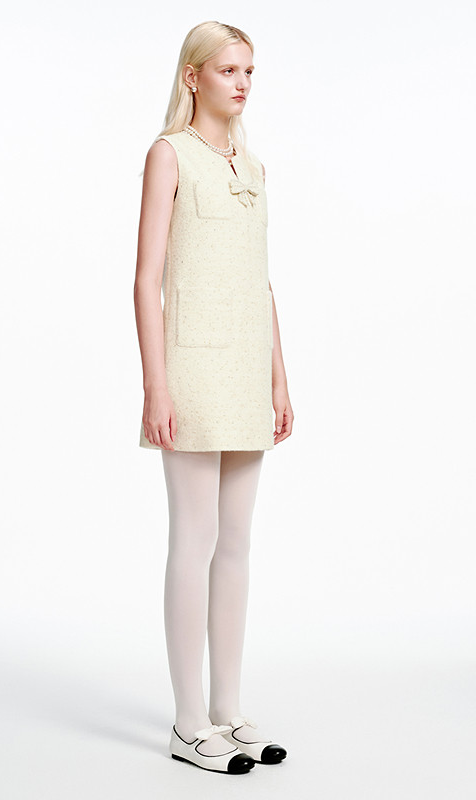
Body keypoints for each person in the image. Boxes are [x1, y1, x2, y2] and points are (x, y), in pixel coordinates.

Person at [133, 21, 294, 775]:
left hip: (245, 370)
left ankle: (228, 711)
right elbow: (146, 280)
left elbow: (261, 282)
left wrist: (279, 376)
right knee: (192, 541)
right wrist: (155, 383)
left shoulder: (252, 167)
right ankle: (188, 721)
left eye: (249, 71)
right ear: (193, 76)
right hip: (192, 370)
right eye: (228, 70)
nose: (242, 83)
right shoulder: (170, 155)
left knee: (236, 542)